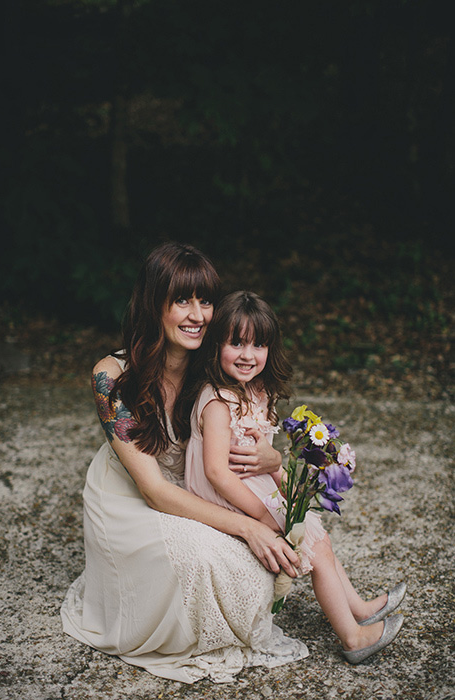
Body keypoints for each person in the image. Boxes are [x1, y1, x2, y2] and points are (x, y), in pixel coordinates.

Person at [61, 242, 310, 685]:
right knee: (209, 559)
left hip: (193, 487)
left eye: (207, 300)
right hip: (131, 496)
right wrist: (250, 525)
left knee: (255, 567)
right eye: (182, 300)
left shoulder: (213, 362)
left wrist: (274, 457)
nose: (198, 314)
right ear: (154, 303)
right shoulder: (111, 376)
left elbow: (254, 424)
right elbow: (154, 491)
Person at [185, 290, 406, 664]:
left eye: (258, 345)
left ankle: (359, 608)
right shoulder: (217, 402)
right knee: (314, 545)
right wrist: (262, 515)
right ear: (216, 345)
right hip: (224, 498)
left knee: (318, 537)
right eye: (235, 343)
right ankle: (353, 638)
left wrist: (293, 495)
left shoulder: (258, 392)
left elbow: (267, 462)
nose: (247, 355)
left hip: (251, 487)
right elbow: (216, 473)